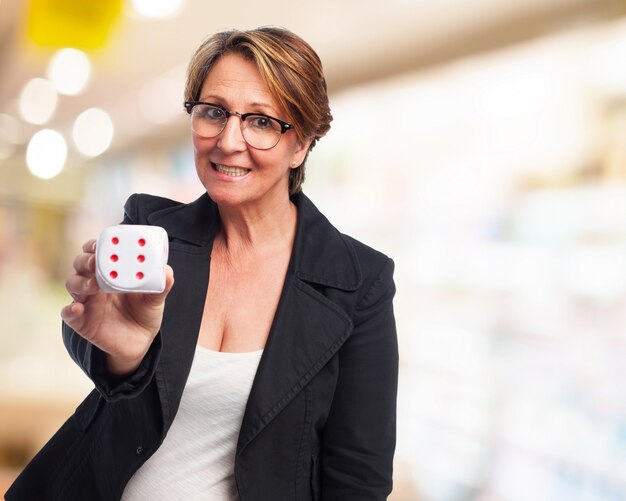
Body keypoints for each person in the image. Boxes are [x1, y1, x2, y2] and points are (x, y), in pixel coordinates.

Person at [5, 26, 398, 501]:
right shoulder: (152, 226)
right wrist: (125, 355)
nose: (228, 141)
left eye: (261, 121)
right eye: (213, 112)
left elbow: (358, 480)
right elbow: (98, 346)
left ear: (303, 143)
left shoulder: (358, 283)